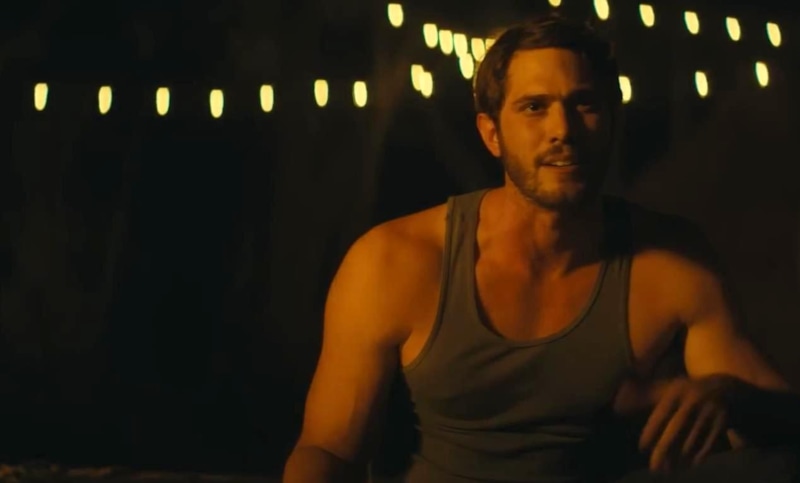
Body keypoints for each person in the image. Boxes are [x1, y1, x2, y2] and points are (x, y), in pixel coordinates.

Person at [283, 13, 800, 483]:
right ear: (492, 133)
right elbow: (328, 450)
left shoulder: (670, 264)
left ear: (612, 120)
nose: (562, 130)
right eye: (534, 107)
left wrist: (734, 398)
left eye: (584, 104)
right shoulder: (395, 259)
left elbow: (784, 422)